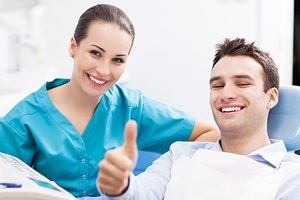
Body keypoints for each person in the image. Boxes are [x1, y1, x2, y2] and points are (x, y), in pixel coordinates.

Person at [0, 4, 220, 198]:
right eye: (95, 53)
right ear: (73, 47)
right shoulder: (23, 121)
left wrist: (156, 178)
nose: (104, 70)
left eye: (117, 60)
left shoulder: (132, 108)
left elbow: (209, 134)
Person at [97, 37, 300, 200]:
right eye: (217, 86)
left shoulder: (292, 176)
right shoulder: (180, 155)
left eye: (242, 84)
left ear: (271, 97)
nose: (226, 94)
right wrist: (121, 185)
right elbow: (142, 193)